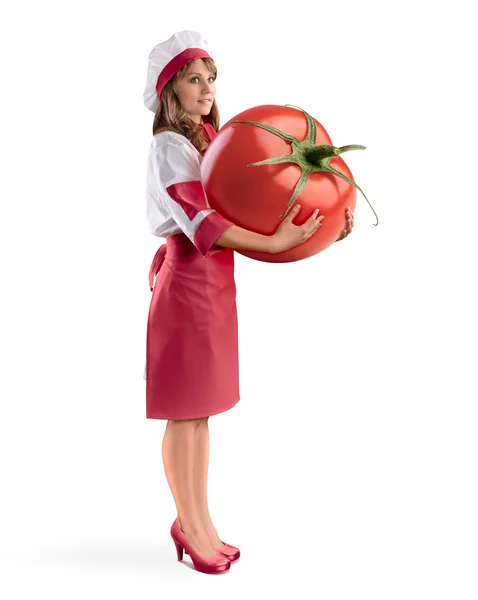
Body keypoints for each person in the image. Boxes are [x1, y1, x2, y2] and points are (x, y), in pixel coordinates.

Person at [143, 30, 353, 575]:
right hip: (187, 280)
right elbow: (203, 221)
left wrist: (325, 225)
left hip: (214, 281)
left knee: (202, 410)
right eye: (194, 79)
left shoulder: (213, 140)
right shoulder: (171, 146)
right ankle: (189, 525)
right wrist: (278, 242)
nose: (207, 88)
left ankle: (201, 520)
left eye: (211, 78)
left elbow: (260, 206)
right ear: (170, 91)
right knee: (183, 412)